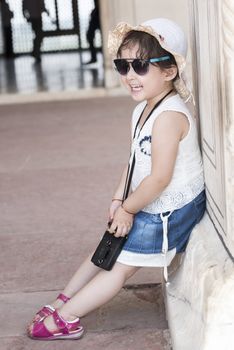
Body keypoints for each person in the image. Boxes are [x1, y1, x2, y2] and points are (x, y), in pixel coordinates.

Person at [27, 18, 206, 340]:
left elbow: (160, 179)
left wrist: (128, 210)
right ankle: (62, 300)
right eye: (122, 66)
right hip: (144, 200)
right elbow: (135, 159)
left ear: (169, 71)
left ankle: (67, 317)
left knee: (120, 264)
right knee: (106, 246)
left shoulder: (169, 116)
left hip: (170, 209)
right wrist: (118, 200)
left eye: (139, 66)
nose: (130, 76)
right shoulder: (143, 110)